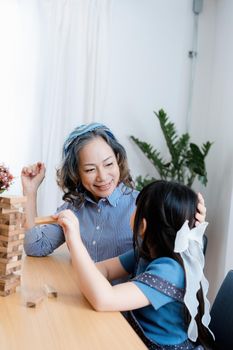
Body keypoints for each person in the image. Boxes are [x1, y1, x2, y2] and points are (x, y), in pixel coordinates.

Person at [55, 180, 215, 350]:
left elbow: (105, 299)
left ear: (143, 225)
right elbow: (105, 270)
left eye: (136, 208)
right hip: (136, 338)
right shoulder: (147, 252)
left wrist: (74, 238)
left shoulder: (170, 271)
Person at [21, 123, 206, 262]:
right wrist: (30, 192)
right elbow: (35, 246)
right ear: (76, 173)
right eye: (90, 169)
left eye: (109, 164)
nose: (102, 177)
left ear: (118, 159)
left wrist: (193, 228)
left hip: (123, 308)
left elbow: (178, 256)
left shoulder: (144, 205)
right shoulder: (74, 207)